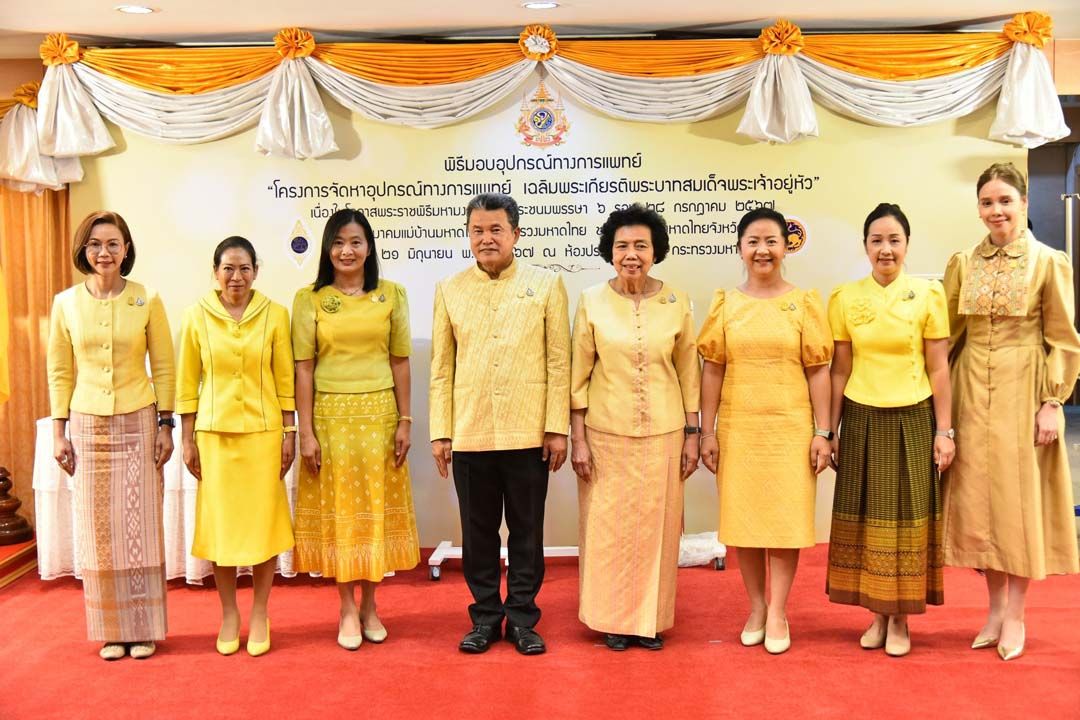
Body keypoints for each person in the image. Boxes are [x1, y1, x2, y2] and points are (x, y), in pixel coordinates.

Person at [943, 163, 1080, 661]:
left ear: (1023, 203)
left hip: (1025, 388)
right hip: (970, 389)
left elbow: (1063, 338)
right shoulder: (963, 261)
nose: (995, 211)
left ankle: (1018, 614)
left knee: (1017, 505)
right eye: (986, 202)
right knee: (980, 504)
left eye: (1004, 201)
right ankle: (995, 609)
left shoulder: (1048, 261)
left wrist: (1053, 401)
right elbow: (948, 336)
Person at [430, 193, 570, 655]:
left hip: (529, 432)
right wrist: (441, 432)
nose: (486, 238)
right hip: (470, 432)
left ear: (515, 234)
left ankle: (524, 619)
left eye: (496, 230)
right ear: (468, 235)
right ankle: (487, 618)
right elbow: (441, 368)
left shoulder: (546, 284)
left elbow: (558, 361)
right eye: (478, 230)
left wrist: (556, 428)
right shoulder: (450, 288)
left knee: (528, 532)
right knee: (479, 535)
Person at [698, 207, 833, 655]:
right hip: (739, 430)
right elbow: (712, 370)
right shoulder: (726, 304)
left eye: (771, 241)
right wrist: (707, 432)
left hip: (791, 429)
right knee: (746, 524)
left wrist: (823, 431)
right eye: (753, 241)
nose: (762, 250)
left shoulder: (804, 302)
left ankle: (779, 610)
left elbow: (818, 371)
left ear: (785, 247)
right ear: (740, 247)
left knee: (785, 522)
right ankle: (756, 606)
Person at [570, 205, 701, 652]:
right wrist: (578, 440)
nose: (631, 254)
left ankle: (648, 621)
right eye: (622, 245)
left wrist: (693, 434)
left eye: (640, 246)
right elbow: (577, 378)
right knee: (607, 532)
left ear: (655, 251)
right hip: (605, 435)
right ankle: (611, 619)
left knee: (658, 531)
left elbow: (689, 372)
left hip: (665, 433)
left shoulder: (676, 301)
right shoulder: (591, 301)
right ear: (610, 249)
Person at [825, 203, 953, 658]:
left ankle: (900, 617)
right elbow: (840, 369)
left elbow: (939, 369)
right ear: (864, 246)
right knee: (865, 519)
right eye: (876, 240)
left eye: (894, 239)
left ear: (907, 245)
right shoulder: (843, 297)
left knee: (906, 520)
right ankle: (876, 613)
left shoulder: (928, 295)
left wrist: (946, 431)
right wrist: (830, 429)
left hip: (914, 417)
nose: (885, 248)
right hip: (860, 415)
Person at [47, 210, 175, 661]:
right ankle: (110, 630)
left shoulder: (147, 299)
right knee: (99, 531)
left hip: (139, 420)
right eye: (96, 244)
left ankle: (142, 628)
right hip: (87, 423)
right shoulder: (65, 303)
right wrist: (58, 432)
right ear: (84, 250)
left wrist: (166, 425)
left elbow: (163, 367)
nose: (105, 252)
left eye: (113, 244)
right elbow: (60, 371)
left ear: (126, 249)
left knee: (139, 525)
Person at [291, 209, 420, 651]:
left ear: (369, 247)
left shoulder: (392, 295)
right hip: (330, 418)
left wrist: (406, 420)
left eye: (356, 242)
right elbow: (303, 370)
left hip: (380, 416)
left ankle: (371, 604)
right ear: (328, 249)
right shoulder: (309, 299)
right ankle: (346, 606)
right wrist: (304, 432)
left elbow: (400, 361)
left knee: (375, 511)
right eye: (339, 242)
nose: (347, 251)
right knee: (341, 515)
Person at [177, 237, 296, 657]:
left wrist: (290, 433)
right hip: (214, 437)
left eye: (244, 268)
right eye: (228, 268)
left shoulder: (276, 315)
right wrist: (187, 437)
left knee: (262, 528)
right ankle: (229, 613)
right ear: (215, 272)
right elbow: (187, 381)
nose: (236, 277)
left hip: (264, 437)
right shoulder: (195, 316)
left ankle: (260, 612)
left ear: (256, 271)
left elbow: (285, 380)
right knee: (222, 529)